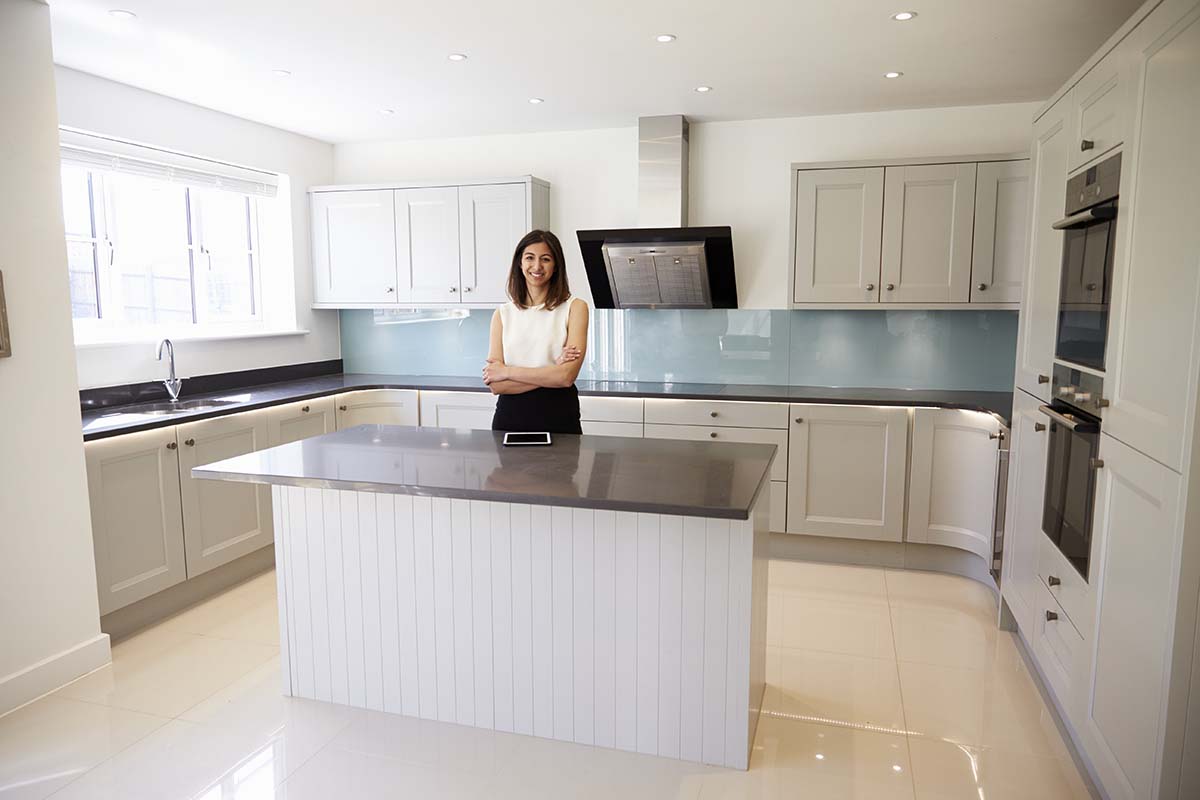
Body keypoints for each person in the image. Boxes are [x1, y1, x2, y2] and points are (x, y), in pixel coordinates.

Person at [483, 229, 589, 434]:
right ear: (520, 263)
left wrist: (507, 372)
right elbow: (497, 386)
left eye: (546, 259)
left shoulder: (575, 308)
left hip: (558, 417)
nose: (537, 266)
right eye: (529, 258)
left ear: (556, 265)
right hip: (510, 418)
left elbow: (566, 377)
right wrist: (551, 370)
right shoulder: (502, 314)